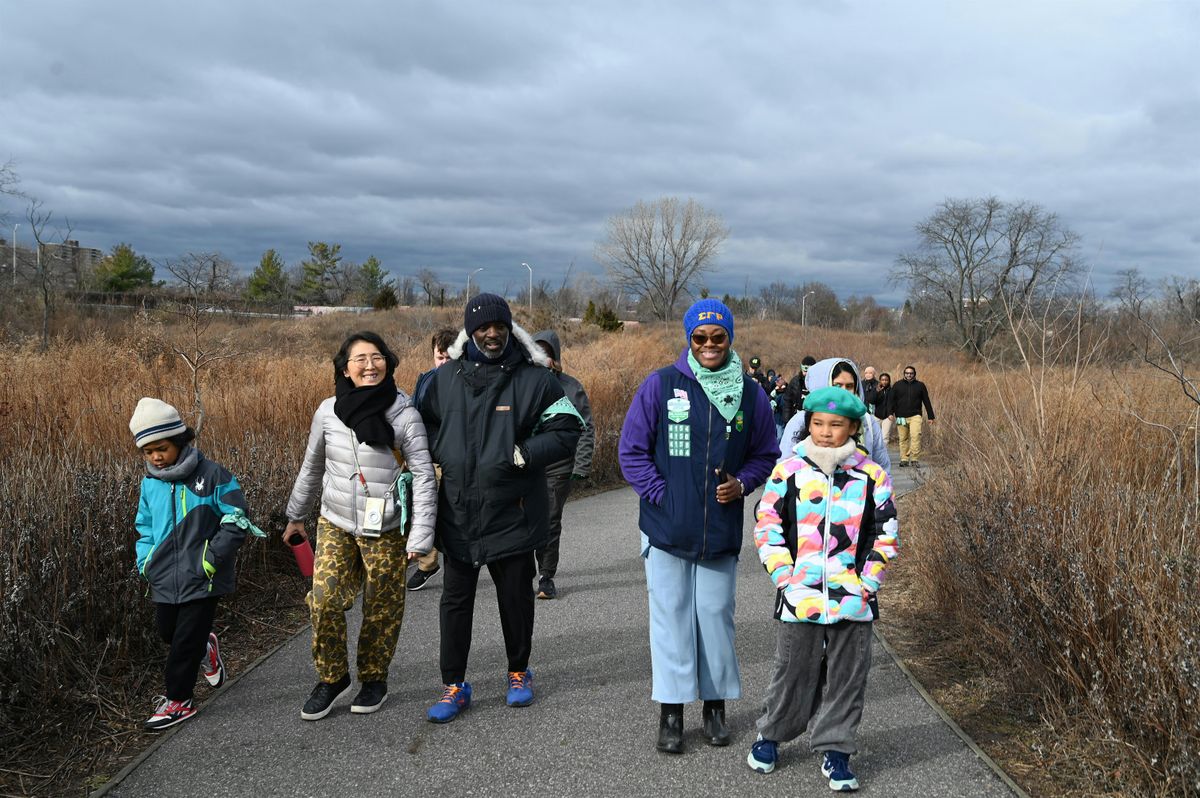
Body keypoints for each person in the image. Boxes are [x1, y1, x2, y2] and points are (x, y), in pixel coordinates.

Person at [619, 298, 779, 755]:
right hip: (666, 530)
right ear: (689, 339)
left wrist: (743, 482)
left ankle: (714, 706)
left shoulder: (751, 394)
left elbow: (765, 453)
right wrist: (662, 496)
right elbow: (632, 452)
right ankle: (672, 711)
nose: (709, 344)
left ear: (730, 338)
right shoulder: (662, 385)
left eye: (718, 336)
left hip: (718, 532)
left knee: (713, 617)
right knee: (670, 617)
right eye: (700, 337)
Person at [419, 294, 583, 723]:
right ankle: (454, 685)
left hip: (513, 508)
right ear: (468, 331)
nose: (492, 334)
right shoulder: (443, 378)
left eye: (500, 327)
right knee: (455, 603)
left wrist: (524, 452)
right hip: (457, 511)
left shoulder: (535, 378)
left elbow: (568, 426)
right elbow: (421, 424)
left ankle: (518, 672)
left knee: (515, 598)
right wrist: (446, 451)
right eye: (483, 327)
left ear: (510, 329)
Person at [747, 386, 899, 788]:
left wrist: (867, 583)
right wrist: (784, 576)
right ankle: (772, 733)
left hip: (854, 601)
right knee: (792, 670)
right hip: (800, 598)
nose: (826, 432)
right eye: (818, 424)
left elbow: (885, 533)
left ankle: (837, 750)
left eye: (836, 425)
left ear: (853, 427)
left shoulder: (871, 476)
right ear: (807, 425)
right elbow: (767, 525)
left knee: (848, 677)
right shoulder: (789, 471)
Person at [284, 331, 437, 721]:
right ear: (345, 369)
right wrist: (295, 515)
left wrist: (421, 535)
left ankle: (374, 678)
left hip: (385, 525)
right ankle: (332, 677)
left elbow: (423, 474)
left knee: (382, 606)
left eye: (377, 357)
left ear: (388, 362)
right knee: (324, 600)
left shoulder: (405, 414)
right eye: (360, 359)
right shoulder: (327, 411)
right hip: (335, 521)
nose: (370, 365)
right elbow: (312, 466)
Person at [130, 398, 255, 730]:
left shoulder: (212, 475)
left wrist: (211, 559)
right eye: (147, 451)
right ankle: (207, 646)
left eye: (161, 448)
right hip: (163, 577)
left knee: (184, 641)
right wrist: (145, 562)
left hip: (203, 576)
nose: (155, 456)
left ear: (180, 440)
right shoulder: (150, 484)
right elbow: (143, 526)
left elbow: (237, 518)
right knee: (167, 632)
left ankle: (179, 700)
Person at [531, 329, 595, 600]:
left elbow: (586, 428)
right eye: (538, 351)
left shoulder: (571, 387)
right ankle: (526, 569)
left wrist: (581, 465)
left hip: (559, 467)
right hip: (526, 464)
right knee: (526, 520)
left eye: (548, 352)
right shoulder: (522, 382)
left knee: (550, 520)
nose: (543, 357)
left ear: (556, 356)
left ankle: (546, 576)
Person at [407, 327, 458, 591]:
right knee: (424, 511)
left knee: (449, 514)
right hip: (424, 458)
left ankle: (448, 563)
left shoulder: (464, 383)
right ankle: (427, 563)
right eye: (440, 357)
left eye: (450, 358)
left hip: (451, 460)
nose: (444, 363)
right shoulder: (425, 378)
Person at [778, 358, 891, 473]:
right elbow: (784, 471)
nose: (843, 392)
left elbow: (883, 469)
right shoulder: (802, 420)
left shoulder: (866, 421)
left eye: (849, 386)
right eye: (837, 385)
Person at [890, 365, 935, 467]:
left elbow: (926, 401)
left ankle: (914, 459)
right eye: (907, 373)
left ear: (914, 374)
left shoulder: (920, 385)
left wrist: (931, 416)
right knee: (903, 438)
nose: (909, 375)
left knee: (915, 436)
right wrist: (890, 413)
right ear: (904, 374)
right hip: (901, 416)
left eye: (911, 373)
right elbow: (891, 401)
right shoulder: (897, 385)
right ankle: (904, 459)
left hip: (916, 415)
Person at [782, 355, 817, 423]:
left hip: (813, 416)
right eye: (805, 370)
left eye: (810, 371)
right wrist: (787, 420)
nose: (807, 374)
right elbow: (787, 401)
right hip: (798, 416)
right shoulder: (795, 381)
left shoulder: (819, 382)